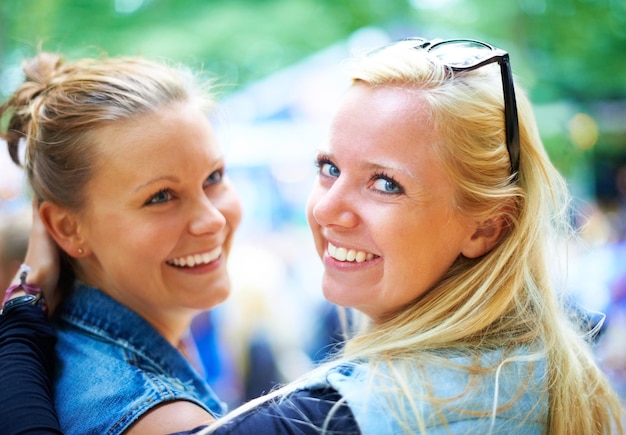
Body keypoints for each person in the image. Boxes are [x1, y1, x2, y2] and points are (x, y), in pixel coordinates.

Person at [2, 36, 624, 434]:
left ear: (488, 226)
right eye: (328, 168)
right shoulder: (536, 370)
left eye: (384, 183)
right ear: (64, 228)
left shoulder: (329, 417)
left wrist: (23, 312)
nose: (328, 209)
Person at [0, 52, 243, 434]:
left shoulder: (76, 359)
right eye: (161, 196)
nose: (212, 220)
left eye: (214, 176)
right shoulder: (162, 418)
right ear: (67, 229)